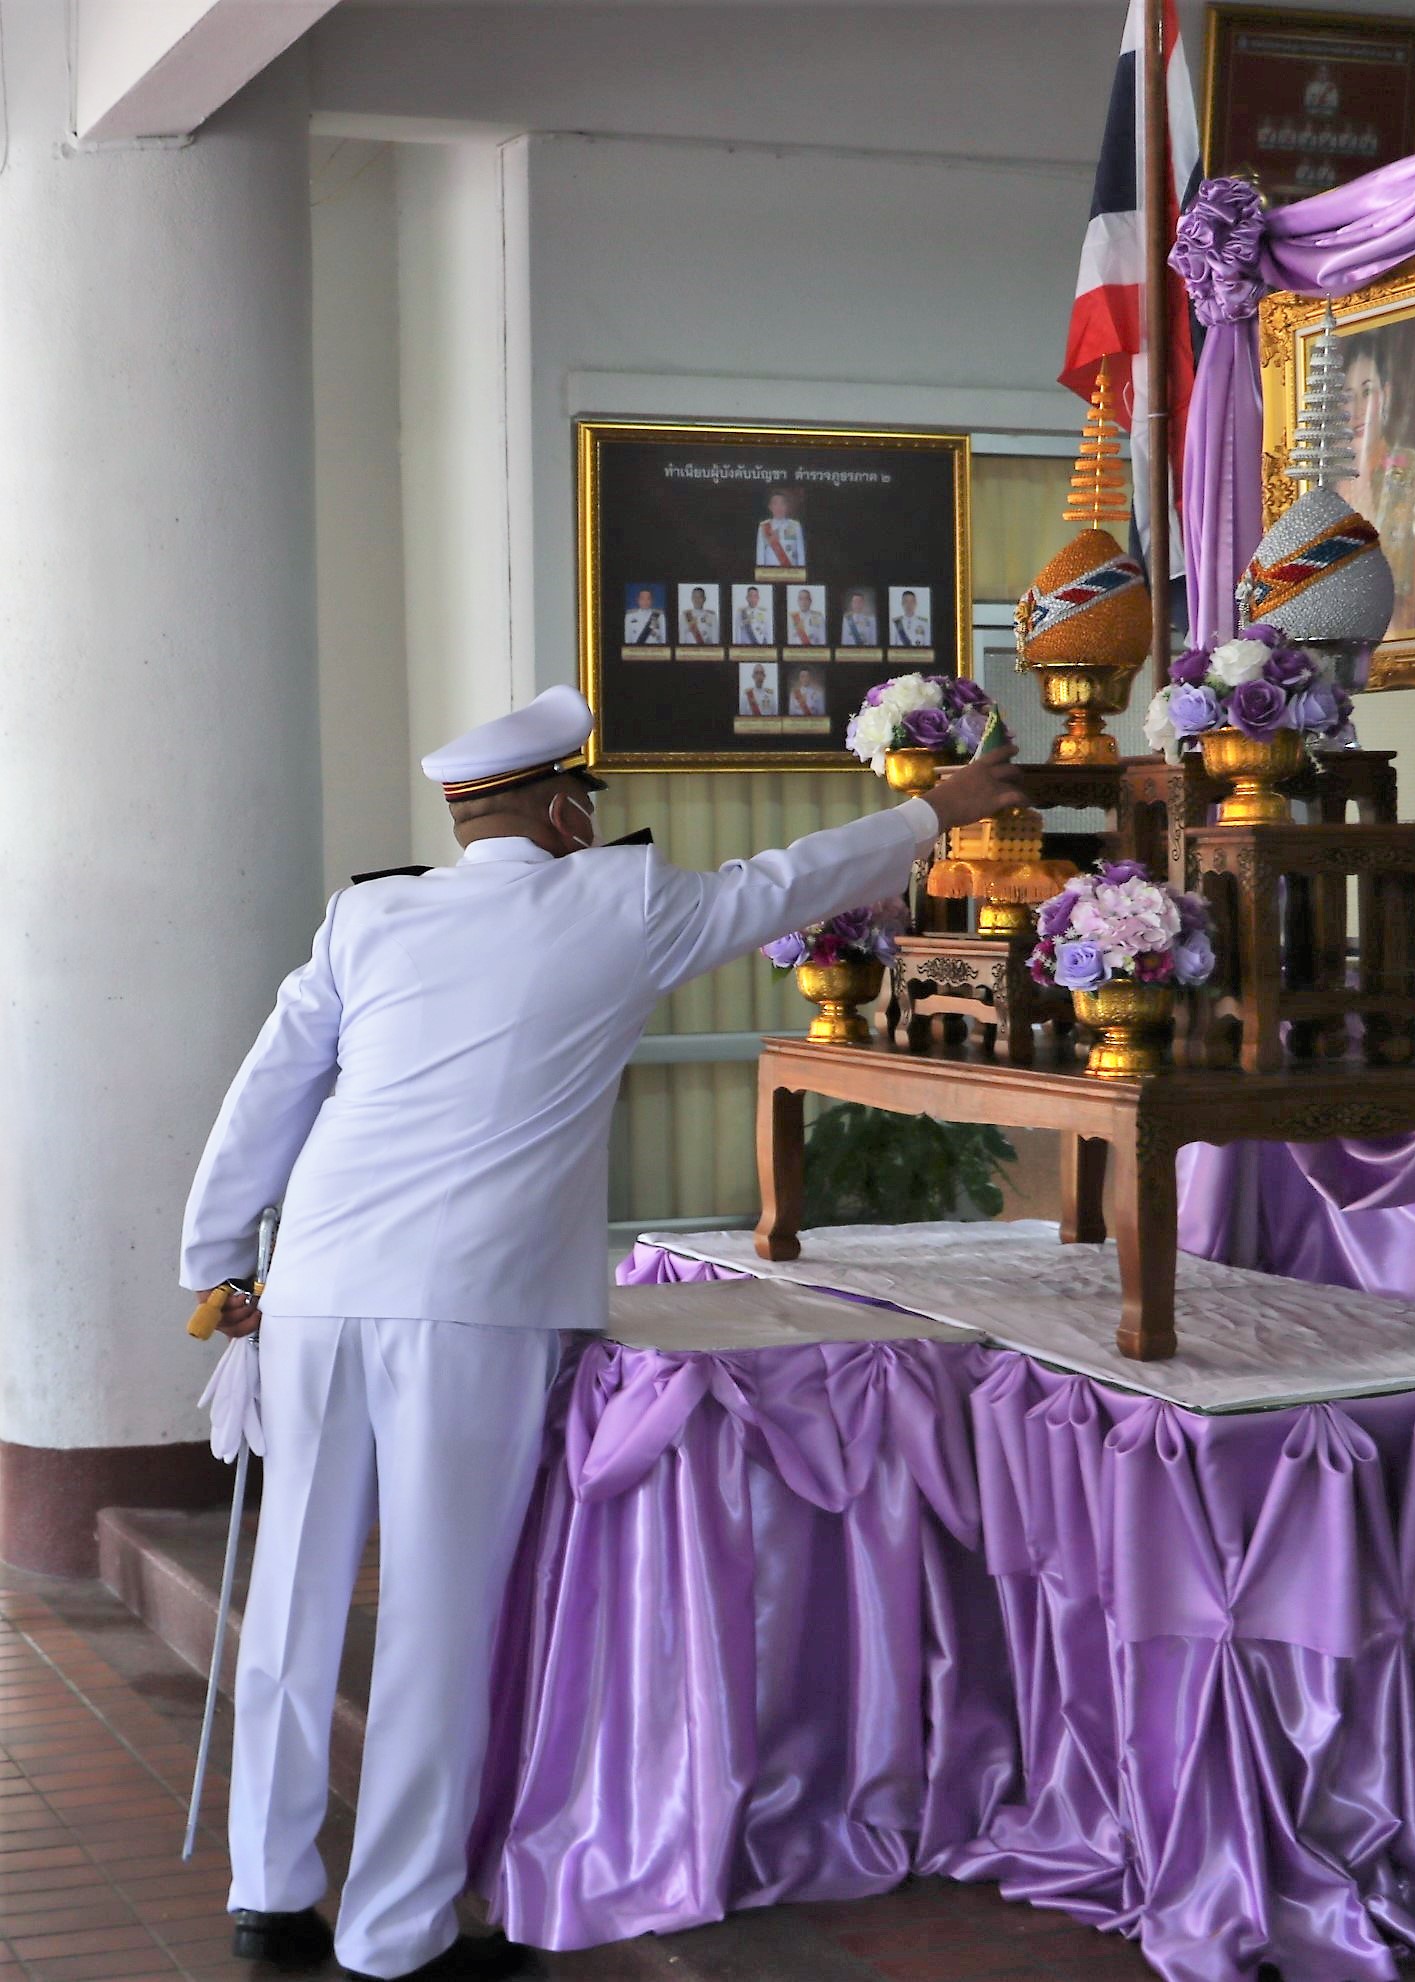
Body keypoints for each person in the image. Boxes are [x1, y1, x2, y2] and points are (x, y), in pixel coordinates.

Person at [181, 684, 1025, 1982]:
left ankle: (270, 1892)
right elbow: (784, 880)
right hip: (469, 1310)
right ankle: (395, 1933)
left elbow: (269, 1087)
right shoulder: (619, 902)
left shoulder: (372, 912)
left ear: (464, 814)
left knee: (294, 1596)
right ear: (567, 807)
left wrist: (217, 1259)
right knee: (432, 1620)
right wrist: (936, 811)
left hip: (317, 1286)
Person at [1336, 336, 1415, 636]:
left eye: (1368, 392)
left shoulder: (1408, 471)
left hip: (1397, 635)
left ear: (1386, 394)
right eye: (1347, 396)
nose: (1357, 410)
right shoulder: (1331, 484)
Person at [754, 488, 805, 570]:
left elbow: (800, 553)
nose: (779, 507)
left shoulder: (795, 525)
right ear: (770, 507)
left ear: (787, 506)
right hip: (770, 574)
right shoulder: (764, 526)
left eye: (782, 503)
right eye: (775, 504)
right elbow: (760, 554)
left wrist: (802, 572)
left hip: (792, 574)